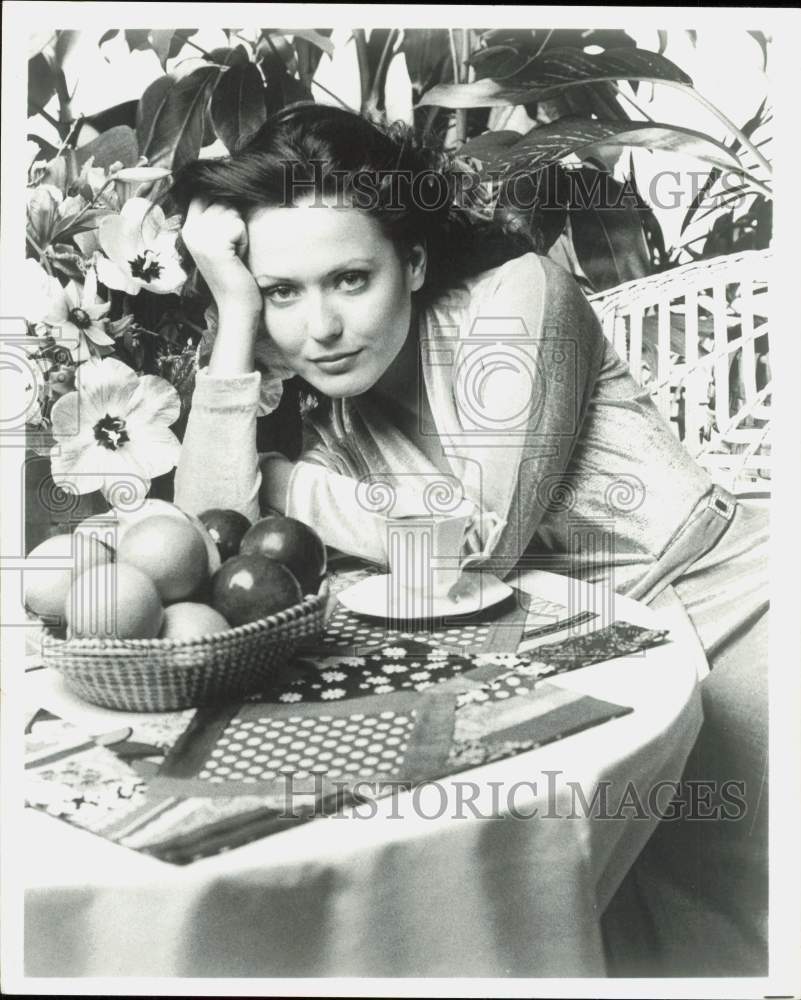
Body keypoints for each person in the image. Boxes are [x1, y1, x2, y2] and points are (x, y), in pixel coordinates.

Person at [168, 104, 769, 975]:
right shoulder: (338, 404)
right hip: (568, 676)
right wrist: (231, 316)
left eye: (348, 278)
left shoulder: (518, 296)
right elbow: (212, 541)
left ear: (410, 262)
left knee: (739, 951)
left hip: (735, 621)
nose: (320, 329)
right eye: (280, 292)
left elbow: (478, 541)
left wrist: (283, 481)